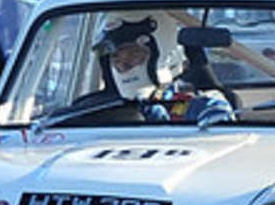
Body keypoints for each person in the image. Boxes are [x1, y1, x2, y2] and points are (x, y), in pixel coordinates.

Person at [94, 17, 235, 127]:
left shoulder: (203, 107)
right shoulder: (96, 111)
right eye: (115, 58)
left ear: (165, 56)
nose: (123, 66)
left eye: (134, 55)